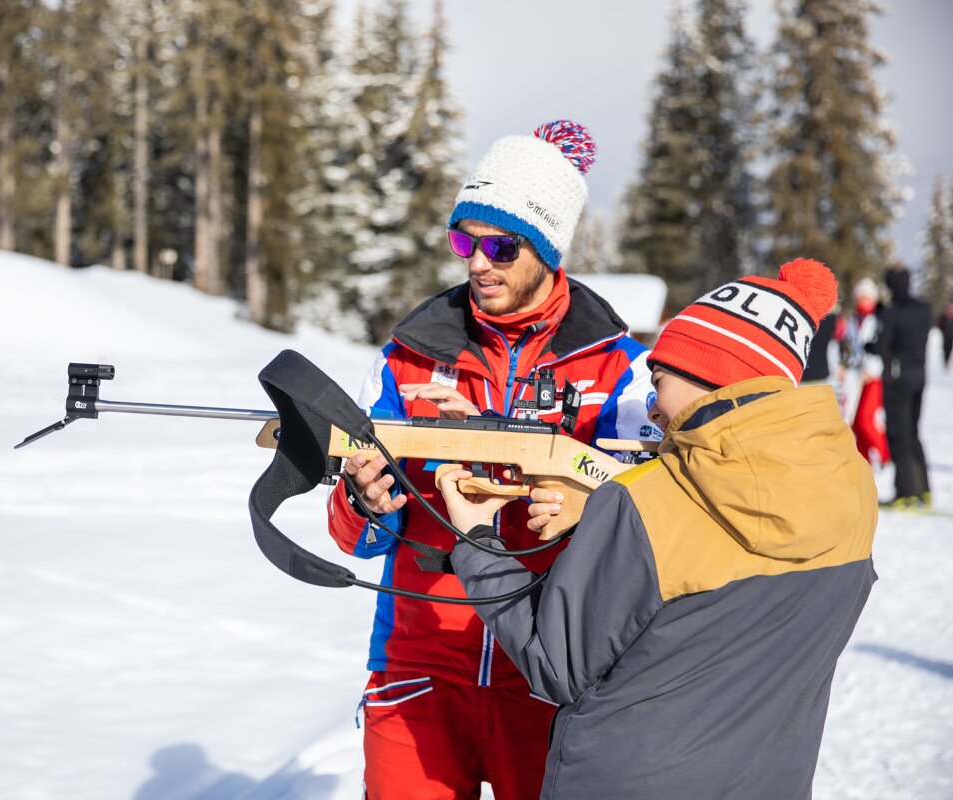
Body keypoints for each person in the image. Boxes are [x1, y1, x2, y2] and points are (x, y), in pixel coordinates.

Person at [437, 258, 878, 800]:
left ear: (711, 379)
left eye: (660, 382)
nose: (654, 407)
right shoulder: (852, 486)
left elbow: (553, 664)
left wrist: (479, 539)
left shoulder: (643, 505)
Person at [328, 119, 658, 799]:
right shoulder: (407, 358)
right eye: (464, 242)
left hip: (547, 678)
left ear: (547, 249)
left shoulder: (621, 371)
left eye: (502, 247)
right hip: (418, 671)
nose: (478, 263)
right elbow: (353, 537)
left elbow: (654, 522)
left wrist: (581, 500)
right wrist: (364, 502)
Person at [868, 265, 932, 508]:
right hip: (920, 375)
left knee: (898, 433)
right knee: (914, 432)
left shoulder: (893, 312)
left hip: (898, 376)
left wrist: (880, 321)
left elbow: (880, 345)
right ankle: (923, 488)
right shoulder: (924, 309)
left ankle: (905, 492)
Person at [843, 278, 891, 467]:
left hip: (873, 377)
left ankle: (885, 456)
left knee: (866, 418)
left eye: (867, 298)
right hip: (856, 376)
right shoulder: (853, 320)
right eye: (860, 297)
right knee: (853, 420)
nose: (863, 302)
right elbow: (851, 348)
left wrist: (870, 370)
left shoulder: (879, 319)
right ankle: (864, 461)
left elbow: (881, 349)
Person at [938, 296, 953, 372]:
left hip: (952, 336)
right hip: (945, 336)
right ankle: (945, 362)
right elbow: (940, 325)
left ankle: (948, 361)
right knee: (945, 349)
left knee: (950, 349)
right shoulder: (944, 317)